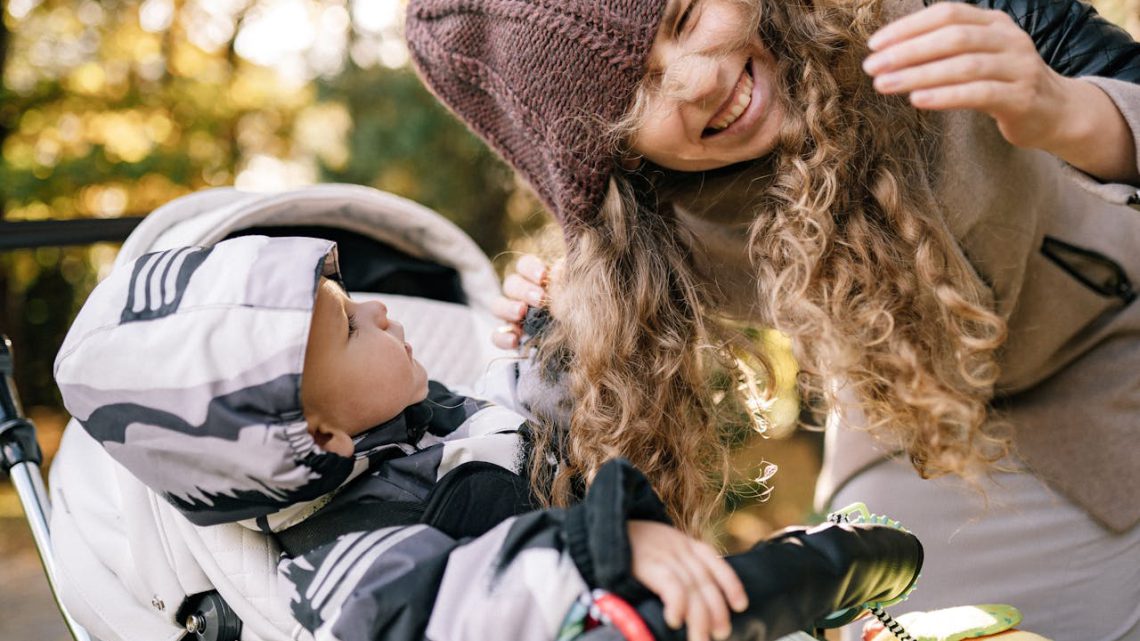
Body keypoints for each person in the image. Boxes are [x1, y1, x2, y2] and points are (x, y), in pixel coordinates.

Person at [405, 0, 1140, 639]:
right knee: (870, 606)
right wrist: (555, 338)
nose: (697, 80)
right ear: (611, 153)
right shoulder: (652, 226)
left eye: (686, 17)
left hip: (1114, 334)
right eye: (640, 90)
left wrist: (1066, 110)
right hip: (921, 430)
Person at [52, 234, 923, 641]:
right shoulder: (342, 561)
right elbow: (463, 609)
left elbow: (523, 434)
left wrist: (553, 339)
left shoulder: (419, 430)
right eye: (350, 324)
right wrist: (604, 544)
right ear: (315, 432)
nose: (379, 309)